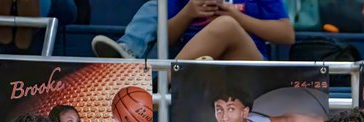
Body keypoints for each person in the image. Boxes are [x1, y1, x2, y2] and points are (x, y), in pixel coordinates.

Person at [92, 0, 295, 61]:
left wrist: (237, 17)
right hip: (198, 62)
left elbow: (286, 34)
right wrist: (188, 12)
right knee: (156, 6)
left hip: (248, 63)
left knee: (226, 25)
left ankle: (159, 81)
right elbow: (166, 40)